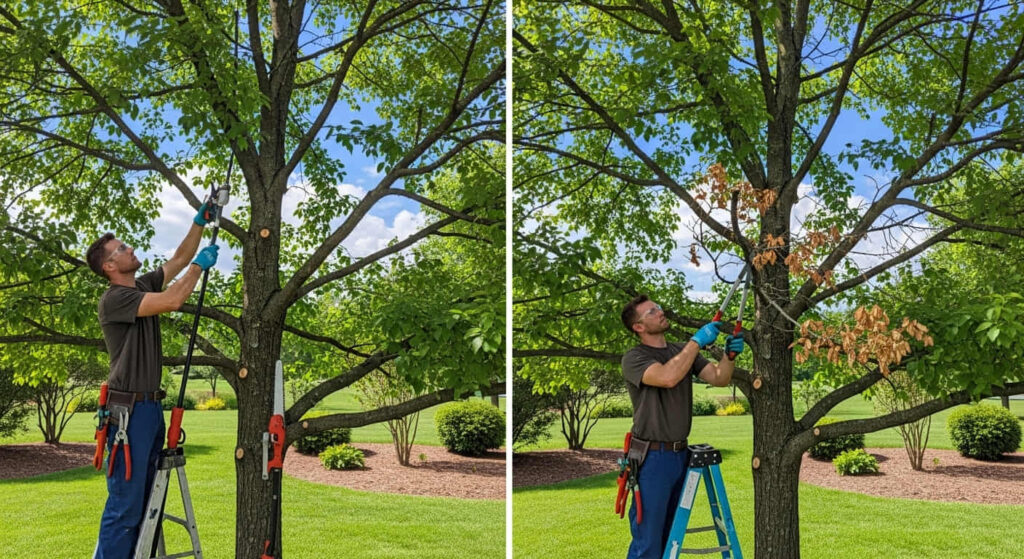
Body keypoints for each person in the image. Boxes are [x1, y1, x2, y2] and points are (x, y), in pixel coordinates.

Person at [85, 203, 219, 559]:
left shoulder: (140, 285)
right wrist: (199, 268)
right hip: (128, 414)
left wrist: (198, 224)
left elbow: (177, 259)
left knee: (148, 507)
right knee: (126, 508)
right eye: (122, 250)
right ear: (109, 267)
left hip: (148, 409)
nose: (130, 249)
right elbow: (174, 299)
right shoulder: (115, 299)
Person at [619, 294, 744, 559]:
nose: (660, 312)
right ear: (638, 327)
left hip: (680, 456)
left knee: (669, 541)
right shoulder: (635, 358)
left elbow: (719, 378)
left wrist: (729, 356)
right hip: (652, 458)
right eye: (651, 312)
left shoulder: (681, 351)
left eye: (659, 307)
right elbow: (667, 377)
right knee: (648, 543)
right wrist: (696, 341)